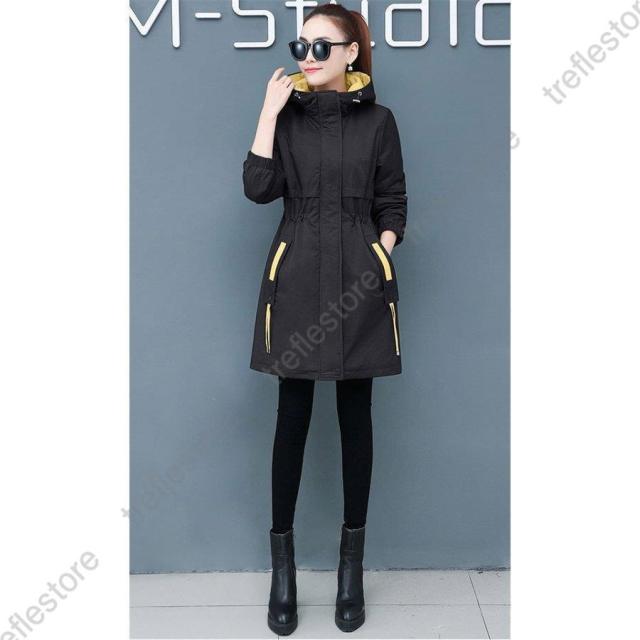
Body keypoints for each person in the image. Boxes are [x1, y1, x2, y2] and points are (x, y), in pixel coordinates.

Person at [242, 3, 408, 635]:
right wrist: (267, 113)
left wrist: (380, 248)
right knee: (292, 416)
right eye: (301, 46)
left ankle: (350, 570)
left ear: (350, 54)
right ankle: (281, 572)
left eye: (321, 46)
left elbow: (393, 199)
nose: (307, 57)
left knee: (355, 416)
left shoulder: (380, 122)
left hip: (361, 283)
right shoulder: (287, 118)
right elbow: (258, 188)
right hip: (297, 280)